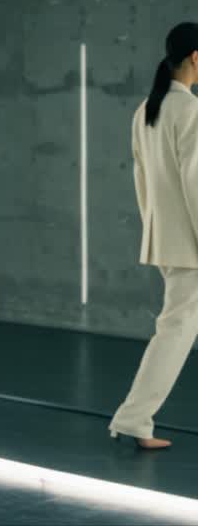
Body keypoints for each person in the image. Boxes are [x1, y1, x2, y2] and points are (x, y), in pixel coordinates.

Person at [110, 22, 198, 451]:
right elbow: (195, 183)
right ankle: (134, 418)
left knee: (174, 328)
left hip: (168, 240)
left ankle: (134, 418)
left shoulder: (146, 111)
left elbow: (142, 184)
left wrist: (155, 232)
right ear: (196, 58)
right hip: (191, 248)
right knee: (176, 331)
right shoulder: (190, 110)